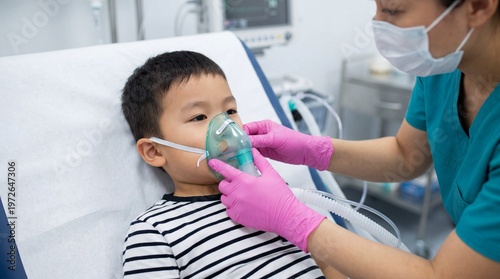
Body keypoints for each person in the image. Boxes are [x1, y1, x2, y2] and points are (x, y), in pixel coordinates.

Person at [208, 0, 500, 278]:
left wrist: (293, 220)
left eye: (393, 10)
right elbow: (405, 155)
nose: (377, 23)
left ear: (478, 6)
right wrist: (311, 150)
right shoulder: (444, 65)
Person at [120, 50, 340, 278]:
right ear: (154, 151)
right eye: (199, 117)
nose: (225, 126)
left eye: (230, 111)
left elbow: (329, 259)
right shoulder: (155, 232)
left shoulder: (273, 194)